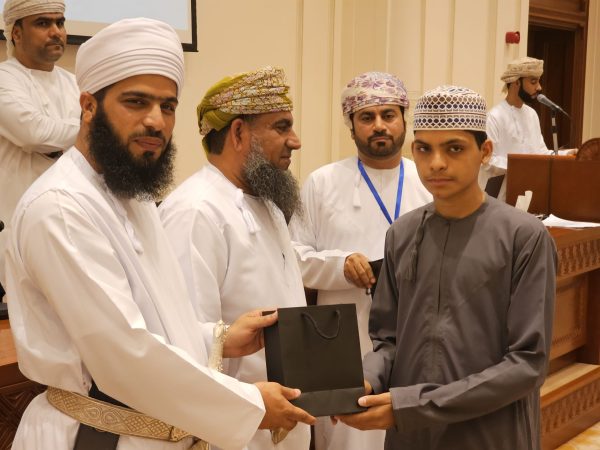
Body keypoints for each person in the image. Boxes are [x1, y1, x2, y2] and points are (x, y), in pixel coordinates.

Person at [5, 18, 314, 450]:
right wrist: (249, 404)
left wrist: (218, 340)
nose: (156, 121)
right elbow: (123, 354)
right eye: (136, 102)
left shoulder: (134, 199)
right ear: (88, 106)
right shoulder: (61, 207)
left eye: (167, 107)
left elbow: (158, 324)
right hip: (94, 436)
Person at [336, 85, 556, 450]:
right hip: (411, 435)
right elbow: (388, 340)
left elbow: (527, 363)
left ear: (485, 152)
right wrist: (366, 378)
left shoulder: (524, 237)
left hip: (490, 433)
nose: (436, 162)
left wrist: (414, 406)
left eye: (454, 148)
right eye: (425, 149)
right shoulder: (402, 234)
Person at [159, 66, 310, 450]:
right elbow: (185, 344)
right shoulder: (196, 212)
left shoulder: (268, 204)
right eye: (281, 127)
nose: (295, 141)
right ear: (239, 133)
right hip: (235, 433)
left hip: (285, 423)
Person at [289, 71, 431, 450]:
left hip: (417, 331)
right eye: (367, 117)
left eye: (389, 115)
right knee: (348, 436)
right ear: (351, 126)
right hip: (345, 335)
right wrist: (340, 266)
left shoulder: (429, 181)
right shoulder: (322, 182)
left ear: (404, 119)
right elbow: (293, 257)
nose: (379, 125)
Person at [0, 0, 80, 293]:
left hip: (75, 221)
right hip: (21, 224)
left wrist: (70, 135)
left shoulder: (76, 83)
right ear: (16, 33)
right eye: (43, 23)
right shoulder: (4, 79)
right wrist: (88, 130)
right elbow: (35, 133)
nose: (56, 32)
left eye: (60, 22)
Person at [481, 56, 574, 200]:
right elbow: (488, 161)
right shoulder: (494, 117)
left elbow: (540, 153)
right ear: (516, 82)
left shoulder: (531, 114)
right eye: (533, 81)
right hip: (501, 197)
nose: (539, 87)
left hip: (529, 193)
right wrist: (521, 165)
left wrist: (567, 154)